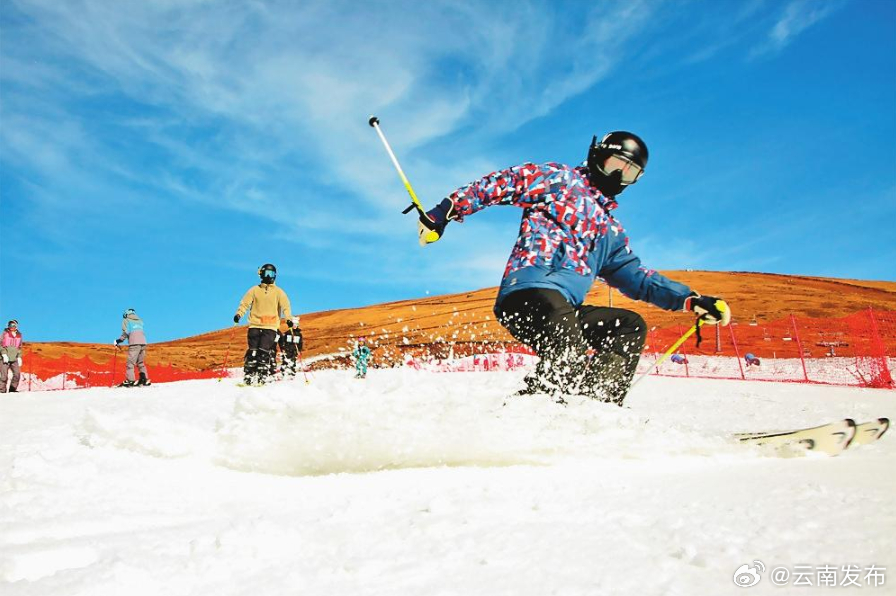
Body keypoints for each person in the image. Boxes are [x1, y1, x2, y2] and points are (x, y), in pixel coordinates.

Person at [417, 131, 731, 405]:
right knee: (568, 351)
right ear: (598, 156)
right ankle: (526, 415)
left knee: (628, 326)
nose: (617, 177)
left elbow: (637, 278)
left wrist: (690, 299)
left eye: (629, 173)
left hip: (564, 308)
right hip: (530, 291)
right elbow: (505, 183)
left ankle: (595, 407)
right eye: (614, 166)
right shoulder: (560, 179)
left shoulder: (610, 232)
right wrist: (447, 209)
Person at [234, 263, 293, 385]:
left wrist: (288, 318)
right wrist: (239, 314)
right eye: (266, 273)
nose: (269, 277)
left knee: (263, 351)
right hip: (255, 325)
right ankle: (249, 377)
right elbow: (244, 303)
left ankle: (262, 377)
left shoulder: (278, 292)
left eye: (271, 274)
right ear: (261, 274)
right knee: (253, 352)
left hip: (270, 327)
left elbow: (286, 307)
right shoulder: (254, 290)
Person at [115, 309, 151, 387]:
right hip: (143, 343)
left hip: (134, 343)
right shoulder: (140, 321)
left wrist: (119, 340)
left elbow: (126, 332)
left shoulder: (126, 320)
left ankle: (130, 381)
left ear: (125, 314)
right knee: (140, 363)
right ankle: (144, 379)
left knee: (130, 363)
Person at [1, 319, 23, 393]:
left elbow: (19, 347)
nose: (12, 327)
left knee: (17, 374)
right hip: (5, 358)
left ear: (16, 326)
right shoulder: (4, 333)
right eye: (10, 325)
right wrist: (4, 354)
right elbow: (0, 344)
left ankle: (12, 390)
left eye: (14, 325)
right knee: (4, 376)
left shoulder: (19, 335)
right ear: (8, 326)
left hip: (14, 358)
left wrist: (19, 356)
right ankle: (2, 391)